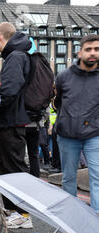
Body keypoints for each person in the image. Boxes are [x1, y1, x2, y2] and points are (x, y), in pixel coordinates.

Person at [54, 34, 99, 213]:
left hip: (94, 135)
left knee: (97, 178)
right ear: (80, 53)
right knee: (68, 178)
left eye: (96, 49)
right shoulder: (64, 76)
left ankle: (95, 222)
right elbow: (58, 102)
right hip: (67, 136)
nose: (93, 53)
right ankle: (71, 221)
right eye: (88, 49)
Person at [0, 22, 31, 212]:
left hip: (11, 121)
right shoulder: (18, 55)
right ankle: (13, 210)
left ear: (0, 37)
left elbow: (8, 90)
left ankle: (22, 213)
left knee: (13, 168)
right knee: (8, 168)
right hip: (12, 120)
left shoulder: (15, 56)